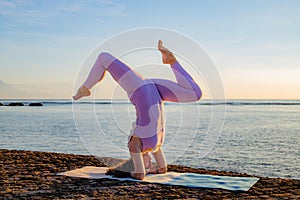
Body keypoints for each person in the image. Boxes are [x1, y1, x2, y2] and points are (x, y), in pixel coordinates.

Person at [73, 40, 202, 180]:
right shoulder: (147, 146)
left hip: (145, 89)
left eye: (147, 164)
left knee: (104, 58)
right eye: (149, 164)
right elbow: (157, 171)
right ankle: (172, 61)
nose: (150, 164)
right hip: (151, 90)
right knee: (195, 94)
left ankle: (85, 88)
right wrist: (146, 170)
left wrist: (130, 171)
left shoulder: (144, 145)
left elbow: (148, 172)